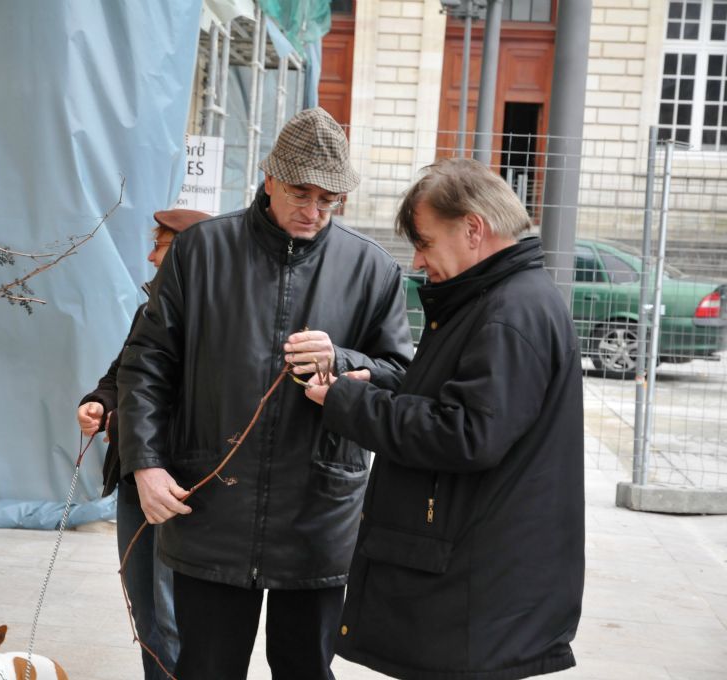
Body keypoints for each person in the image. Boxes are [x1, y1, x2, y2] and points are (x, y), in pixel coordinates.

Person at [117, 107, 414, 680]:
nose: (314, 211)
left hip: (320, 510)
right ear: (269, 176)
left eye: (329, 200)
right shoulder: (200, 250)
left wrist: (343, 359)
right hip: (211, 504)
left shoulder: (371, 267)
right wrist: (145, 465)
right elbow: (147, 363)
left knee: (304, 668)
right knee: (205, 667)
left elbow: (400, 374)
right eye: (302, 193)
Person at [304, 157, 585, 679]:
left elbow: (467, 434)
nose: (417, 260)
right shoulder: (498, 300)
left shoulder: (508, 312)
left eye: (426, 242)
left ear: (473, 229)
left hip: (480, 591)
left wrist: (350, 404)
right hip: (485, 583)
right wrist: (384, 385)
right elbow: (465, 402)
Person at [76, 208, 209, 679]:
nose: (151, 256)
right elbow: (122, 377)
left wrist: (123, 423)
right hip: (135, 473)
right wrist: (99, 403)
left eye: (161, 246)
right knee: (146, 612)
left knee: (174, 616)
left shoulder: (217, 319)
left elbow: (197, 407)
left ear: (193, 255)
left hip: (180, 483)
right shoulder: (149, 310)